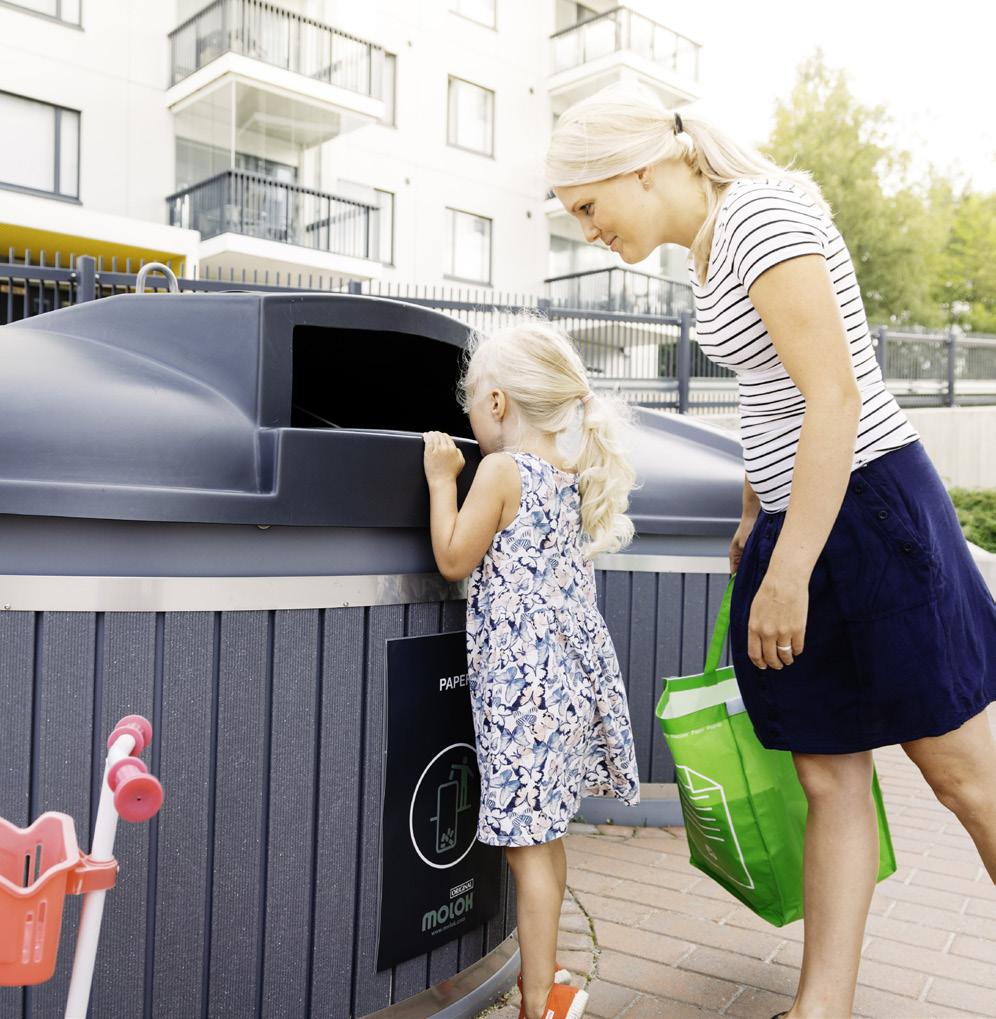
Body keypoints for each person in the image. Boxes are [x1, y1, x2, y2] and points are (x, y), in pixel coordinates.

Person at [546, 82, 996, 1019]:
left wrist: (789, 567)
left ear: (641, 165)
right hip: (804, 516)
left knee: (964, 774)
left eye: (589, 206)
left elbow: (831, 394)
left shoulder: (759, 215)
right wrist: (759, 515)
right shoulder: (711, 252)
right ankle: (819, 1006)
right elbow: (775, 395)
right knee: (827, 771)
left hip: (867, 511)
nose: (588, 230)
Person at [421, 317, 641, 1019]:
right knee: (547, 844)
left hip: (524, 694)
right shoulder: (567, 476)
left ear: (495, 405)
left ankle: (538, 1000)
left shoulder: (500, 469)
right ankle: (550, 981)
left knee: (526, 852)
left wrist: (438, 479)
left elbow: (455, 556)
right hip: (563, 686)